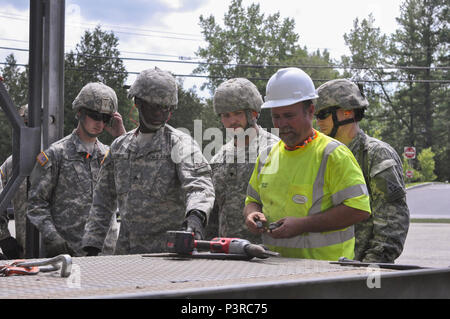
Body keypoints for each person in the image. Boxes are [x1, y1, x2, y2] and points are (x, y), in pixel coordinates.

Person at [81, 67, 215, 256]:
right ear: (138, 102)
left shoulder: (179, 143)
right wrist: (92, 245)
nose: (161, 113)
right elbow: (103, 200)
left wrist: (196, 217)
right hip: (126, 255)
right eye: (155, 106)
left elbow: (199, 185)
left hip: (167, 255)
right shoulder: (119, 147)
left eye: (167, 108)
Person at [243, 67, 371, 261]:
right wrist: (252, 215)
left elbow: (359, 209)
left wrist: (303, 225)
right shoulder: (267, 156)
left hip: (326, 273)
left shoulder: (333, 154)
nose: (281, 124)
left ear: (310, 111)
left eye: (289, 116)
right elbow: (252, 201)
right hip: (273, 269)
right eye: (276, 116)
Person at [315, 78, 410, 263]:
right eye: (316, 115)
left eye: (323, 114)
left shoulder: (377, 155)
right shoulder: (321, 154)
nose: (317, 122)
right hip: (323, 265)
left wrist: (369, 267)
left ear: (347, 112)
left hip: (359, 268)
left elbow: (392, 222)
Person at [27, 82, 125, 257]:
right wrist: (53, 238)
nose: (100, 124)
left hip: (106, 255)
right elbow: (36, 204)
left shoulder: (110, 154)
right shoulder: (56, 154)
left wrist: (121, 138)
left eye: (105, 118)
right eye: (95, 116)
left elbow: (134, 184)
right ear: (80, 112)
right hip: (69, 255)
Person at [207, 78, 279, 243]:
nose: (232, 121)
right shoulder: (219, 157)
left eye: (238, 113)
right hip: (226, 254)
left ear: (253, 113)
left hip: (266, 253)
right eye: (226, 115)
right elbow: (215, 210)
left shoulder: (275, 150)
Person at [0, 104, 28, 259]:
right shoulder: (11, 165)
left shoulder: (59, 158)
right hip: (24, 254)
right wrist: (3, 237)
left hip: (62, 252)